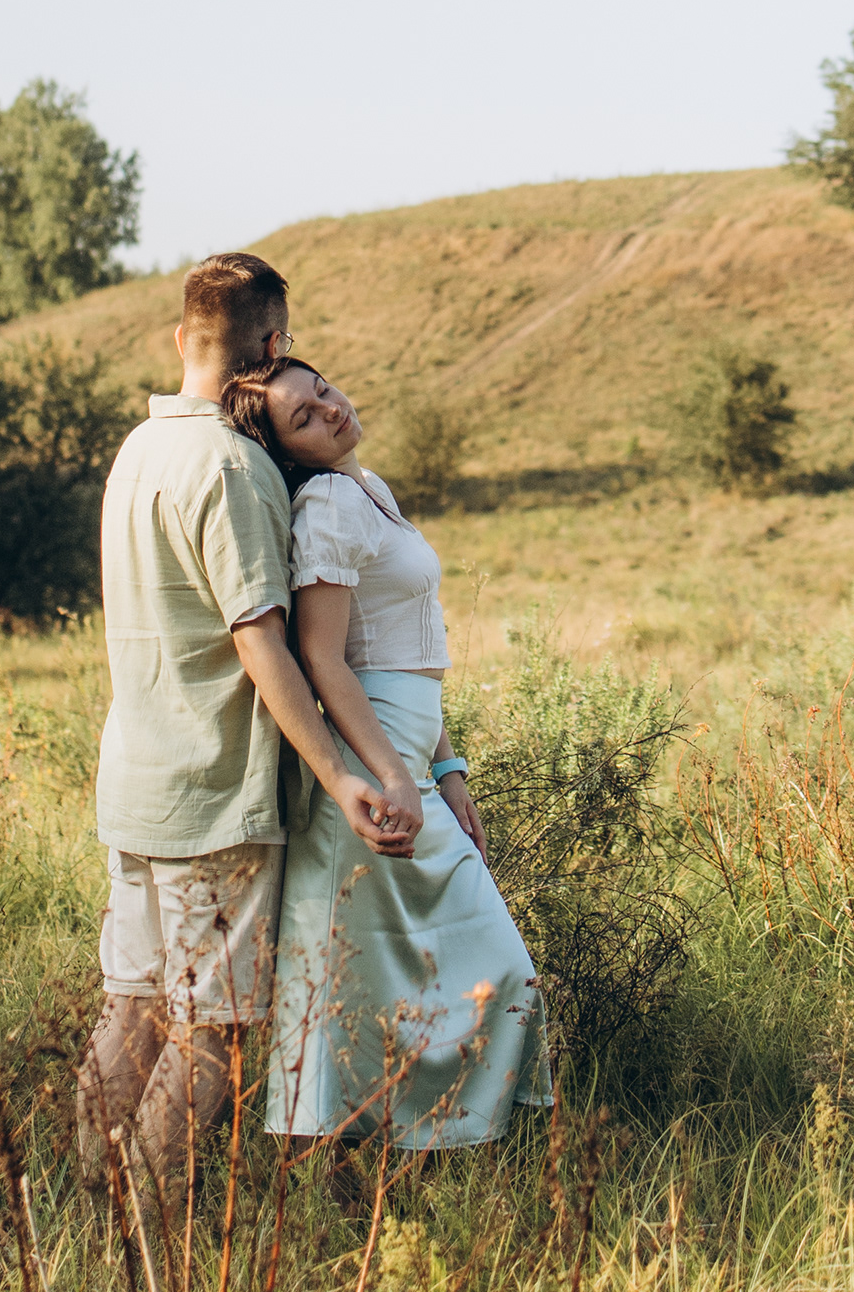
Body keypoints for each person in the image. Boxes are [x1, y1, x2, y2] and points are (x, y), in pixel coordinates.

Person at [78, 257, 420, 1208]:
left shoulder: (139, 448)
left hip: (136, 781)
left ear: (182, 337)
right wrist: (341, 777)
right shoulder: (232, 468)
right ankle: (145, 1229)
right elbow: (262, 643)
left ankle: (86, 1212)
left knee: (134, 1006)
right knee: (216, 1032)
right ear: (271, 346)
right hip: (212, 796)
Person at [220, 357, 550, 1151]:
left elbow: (412, 648)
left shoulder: (368, 487)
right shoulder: (328, 505)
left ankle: (424, 1155)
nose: (330, 410)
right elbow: (324, 658)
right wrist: (395, 773)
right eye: (303, 417)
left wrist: (447, 768)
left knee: (455, 969)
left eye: (323, 390)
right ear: (287, 451)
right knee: (353, 981)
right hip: (372, 761)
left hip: (410, 749)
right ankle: (333, 1176)